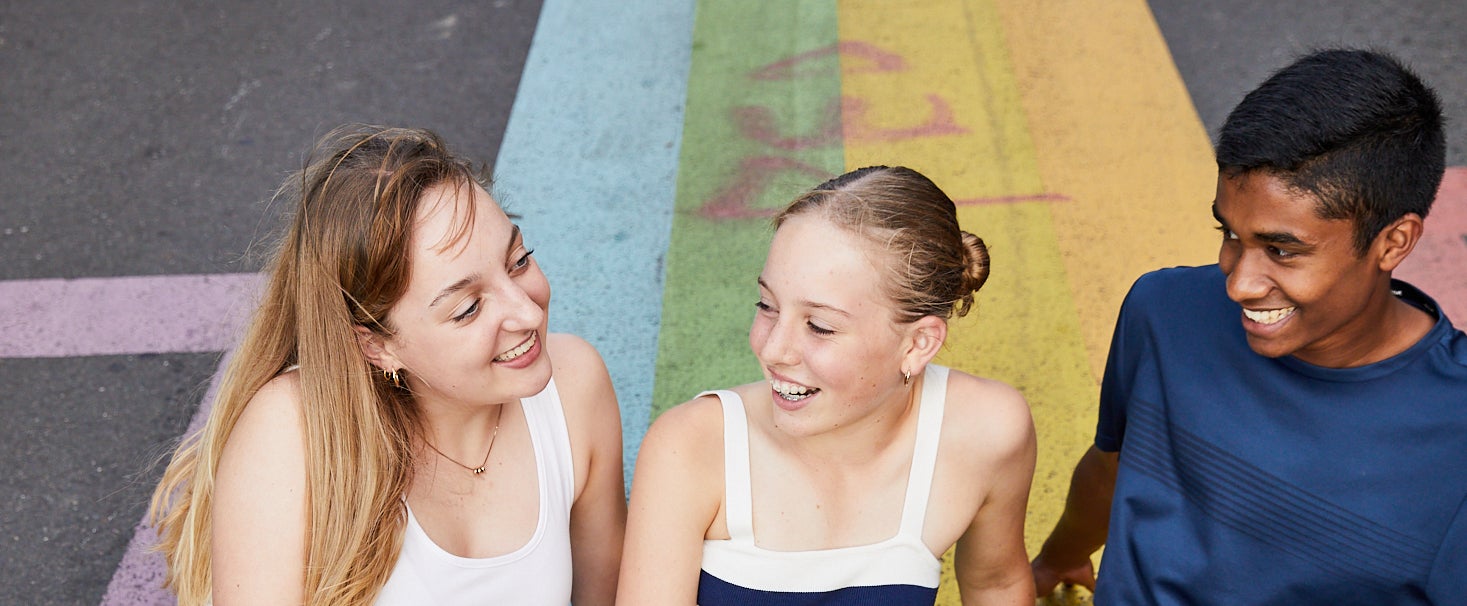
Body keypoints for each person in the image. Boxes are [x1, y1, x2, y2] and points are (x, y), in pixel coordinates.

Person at [1031, 49, 1467, 604]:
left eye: (1282, 250)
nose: (1238, 284)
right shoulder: (1161, 309)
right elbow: (1115, 464)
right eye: (1230, 233)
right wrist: (1059, 556)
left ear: (1394, 242)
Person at [148, 125, 626, 605]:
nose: (528, 312)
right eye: (468, 308)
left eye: (519, 260)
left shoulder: (574, 386)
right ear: (378, 346)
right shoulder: (294, 431)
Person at [619, 166, 1037, 604]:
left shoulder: (988, 431)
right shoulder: (691, 448)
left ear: (918, 343)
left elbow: (998, 584)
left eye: (819, 327)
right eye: (767, 305)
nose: (774, 349)